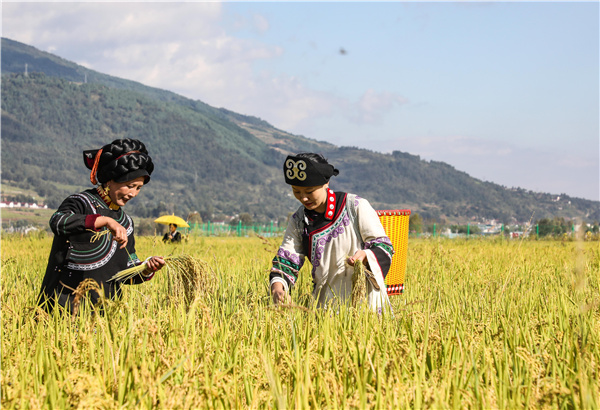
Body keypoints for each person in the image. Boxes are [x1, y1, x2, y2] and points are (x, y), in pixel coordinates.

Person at [37, 138, 166, 314]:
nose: (133, 194)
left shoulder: (126, 223)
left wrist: (146, 268)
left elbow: (127, 270)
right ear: (110, 180)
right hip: (63, 309)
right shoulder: (80, 202)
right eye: (129, 186)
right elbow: (58, 222)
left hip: (104, 314)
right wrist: (104, 221)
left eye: (138, 188)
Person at [270, 153, 394, 312]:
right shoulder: (299, 220)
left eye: (309, 191)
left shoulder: (355, 207)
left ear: (325, 183)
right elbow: (286, 260)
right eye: (297, 191)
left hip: (366, 306)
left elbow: (384, 247)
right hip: (326, 308)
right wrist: (277, 288)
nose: (303, 198)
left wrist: (365, 256)